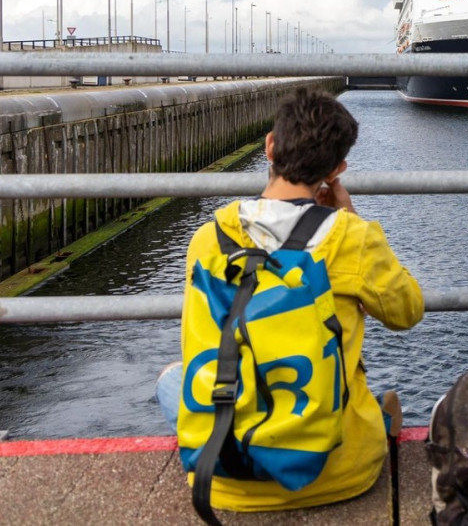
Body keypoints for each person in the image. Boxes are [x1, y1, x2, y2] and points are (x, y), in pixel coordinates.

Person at [158, 88, 424, 512]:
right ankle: (372, 416)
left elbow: (198, 343)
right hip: (342, 475)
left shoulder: (208, 238)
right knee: (355, 391)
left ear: (269, 145)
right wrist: (350, 219)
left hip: (222, 481)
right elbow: (408, 311)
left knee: (172, 378)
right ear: (337, 169)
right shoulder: (350, 238)